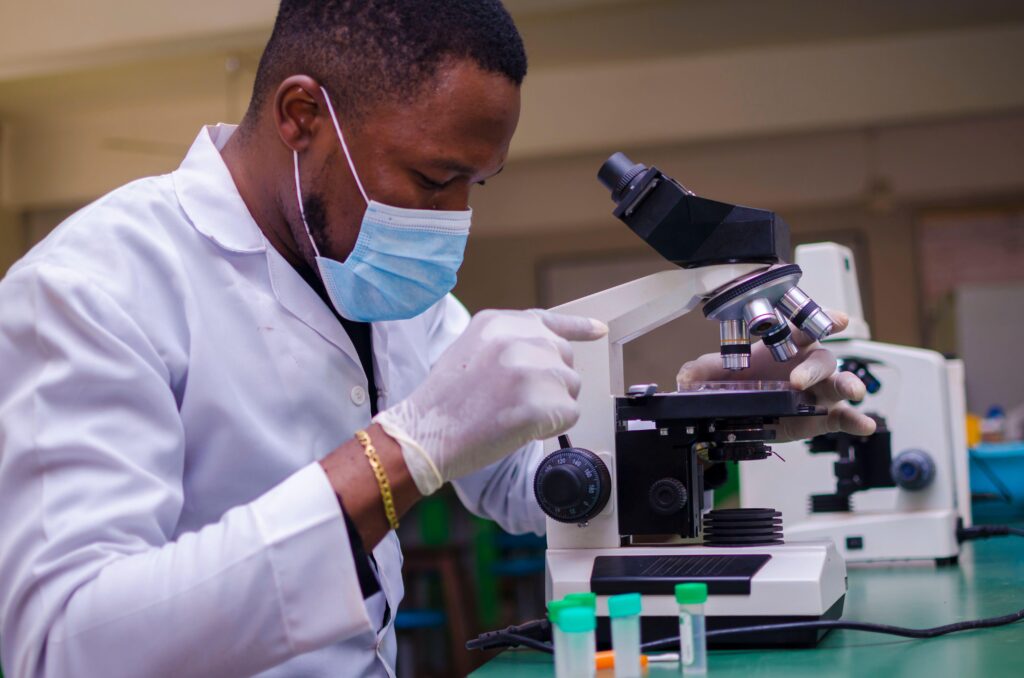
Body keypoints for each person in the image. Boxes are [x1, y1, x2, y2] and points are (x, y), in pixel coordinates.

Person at [0, 1, 874, 676]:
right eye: (432, 178)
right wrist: (400, 451)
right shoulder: (91, 289)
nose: (452, 221)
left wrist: (703, 425)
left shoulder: (381, 279)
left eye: (477, 185)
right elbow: (63, 640)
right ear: (302, 114)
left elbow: (536, 483)